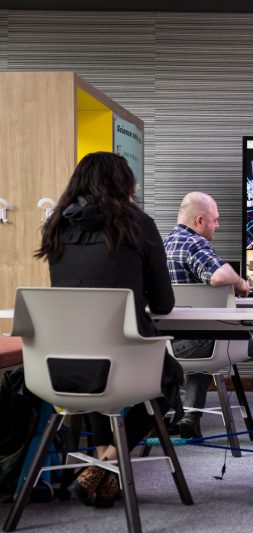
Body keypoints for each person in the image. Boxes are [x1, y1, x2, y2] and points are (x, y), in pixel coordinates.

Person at [36, 152, 179, 507]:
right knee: (169, 379)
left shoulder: (56, 226)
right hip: (122, 363)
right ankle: (109, 461)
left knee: (98, 372)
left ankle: (100, 465)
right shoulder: (138, 225)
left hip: (60, 368)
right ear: (124, 184)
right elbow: (163, 304)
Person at [163, 192, 253, 442]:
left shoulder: (163, 244)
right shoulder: (194, 244)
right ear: (199, 220)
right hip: (200, 346)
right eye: (215, 220)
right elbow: (219, 277)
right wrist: (241, 282)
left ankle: (190, 416)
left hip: (167, 345)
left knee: (201, 328)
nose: (217, 225)